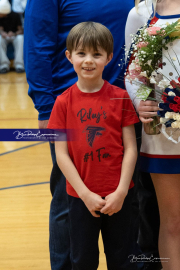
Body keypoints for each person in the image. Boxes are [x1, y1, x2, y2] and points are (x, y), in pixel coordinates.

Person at [24, 1, 137, 269]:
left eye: (96, 54)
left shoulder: (120, 99)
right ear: (71, 56)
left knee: (128, 210)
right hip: (71, 108)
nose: (88, 59)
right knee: (68, 206)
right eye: (81, 53)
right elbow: (36, 43)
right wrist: (44, 105)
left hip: (122, 105)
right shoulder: (64, 102)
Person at [125, 1, 180, 270]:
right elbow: (133, 72)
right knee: (172, 223)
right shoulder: (142, 11)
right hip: (163, 135)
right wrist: (140, 100)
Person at [0, 0, 24, 73]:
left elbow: (21, 30)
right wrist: (2, 33)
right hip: (4, 37)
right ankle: (3, 65)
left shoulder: (15, 15)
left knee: (20, 38)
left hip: (15, 36)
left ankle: (19, 65)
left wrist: (14, 33)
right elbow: (0, 29)